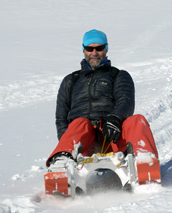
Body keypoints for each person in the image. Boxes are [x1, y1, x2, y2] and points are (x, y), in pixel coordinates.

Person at [46, 29, 159, 167]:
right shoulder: (71, 80)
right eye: (90, 48)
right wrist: (67, 141)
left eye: (99, 48)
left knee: (137, 120)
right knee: (79, 123)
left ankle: (145, 161)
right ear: (84, 50)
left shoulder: (118, 75)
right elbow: (61, 117)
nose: (94, 53)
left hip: (112, 137)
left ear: (106, 49)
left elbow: (126, 102)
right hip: (83, 143)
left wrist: (115, 119)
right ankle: (62, 162)